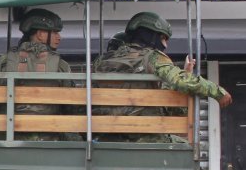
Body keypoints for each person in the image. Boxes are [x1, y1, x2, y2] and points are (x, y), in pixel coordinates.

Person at [94, 11, 232, 142]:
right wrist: (217, 91)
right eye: (163, 38)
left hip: (104, 134)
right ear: (151, 36)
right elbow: (180, 81)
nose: (165, 45)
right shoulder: (153, 57)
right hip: (144, 135)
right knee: (183, 145)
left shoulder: (102, 60)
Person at [0, 8, 73, 141]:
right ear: (40, 34)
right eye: (54, 32)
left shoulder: (5, 60)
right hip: (48, 135)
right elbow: (70, 103)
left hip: (8, 133)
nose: (59, 37)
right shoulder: (60, 64)